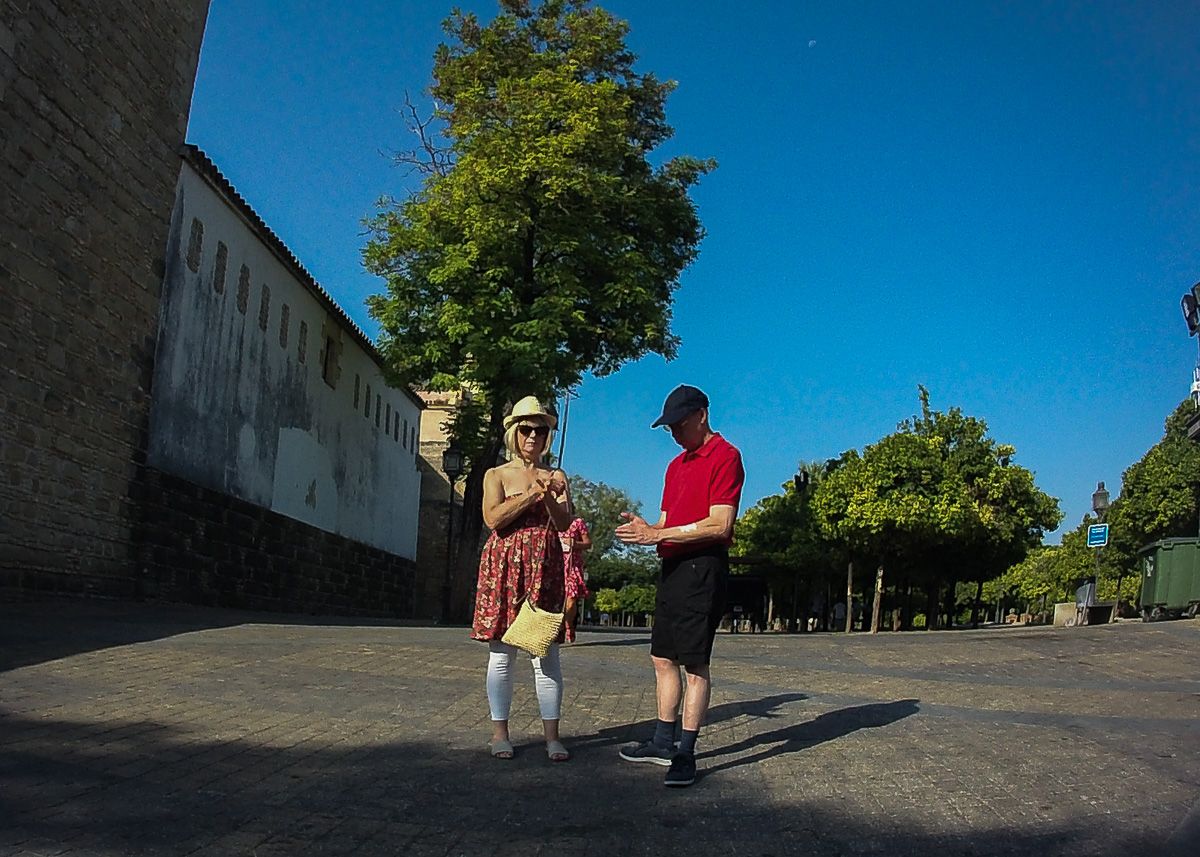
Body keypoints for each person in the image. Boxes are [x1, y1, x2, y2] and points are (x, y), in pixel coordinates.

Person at [614, 384, 744, 787]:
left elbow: (720, 523)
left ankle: (686, 753)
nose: (673, 432)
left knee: (694, 663)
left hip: (702, 569)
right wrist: (647, 530)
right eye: (669, 426)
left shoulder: (726, 456)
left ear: (701, 415)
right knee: (662, 658)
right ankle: (662, 740)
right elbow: (665, 522)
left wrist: (660, 535)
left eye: (679, 424)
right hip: (672, 568)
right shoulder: (676, 466)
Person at [472, 395, 574, 762]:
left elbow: (564, 523)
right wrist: (532, 493)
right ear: (514, 432)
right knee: (502, 655)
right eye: (526, 428)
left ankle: (552, 737)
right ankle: (500, 733)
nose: (534, 436)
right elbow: (493, 519)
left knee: (545, 653)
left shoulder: (557, 475)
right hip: (505, 566)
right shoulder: (496, 475)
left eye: (541, 430)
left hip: (544, 567)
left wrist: (551, 494)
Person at [560, 515, 592, 638]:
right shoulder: (551, 522)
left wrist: (575, 543)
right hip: (556, 566)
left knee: (571, 600)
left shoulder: (578, 522)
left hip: (573, 566)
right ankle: (559, 627)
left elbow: (588, 543)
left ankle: (569, 625)